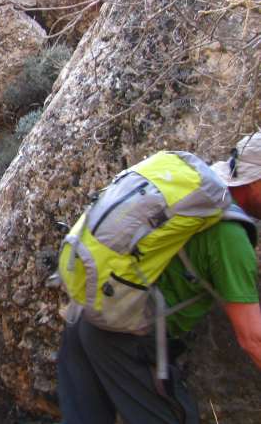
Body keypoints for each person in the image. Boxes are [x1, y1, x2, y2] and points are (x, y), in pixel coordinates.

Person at [57, 132, 261, 424]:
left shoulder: (192, 191)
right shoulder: (229, 236)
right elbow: (253, 338)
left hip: (84, 313)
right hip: (125, 338)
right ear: (255, 181)